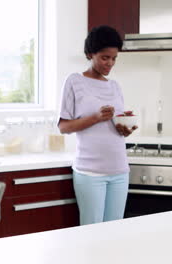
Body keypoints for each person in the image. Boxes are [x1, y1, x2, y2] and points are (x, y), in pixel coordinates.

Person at [58, 25, 137, 225]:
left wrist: (124, 129)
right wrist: (95, 117)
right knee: (91, 232)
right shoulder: (74, 81)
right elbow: (63, 127)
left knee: (114, 232)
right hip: (90, 171)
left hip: (120, 169)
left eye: (114, 58)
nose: (110, 63)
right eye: (104, 57)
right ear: (90, 54)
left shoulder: (114, 86)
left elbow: (115, 126)